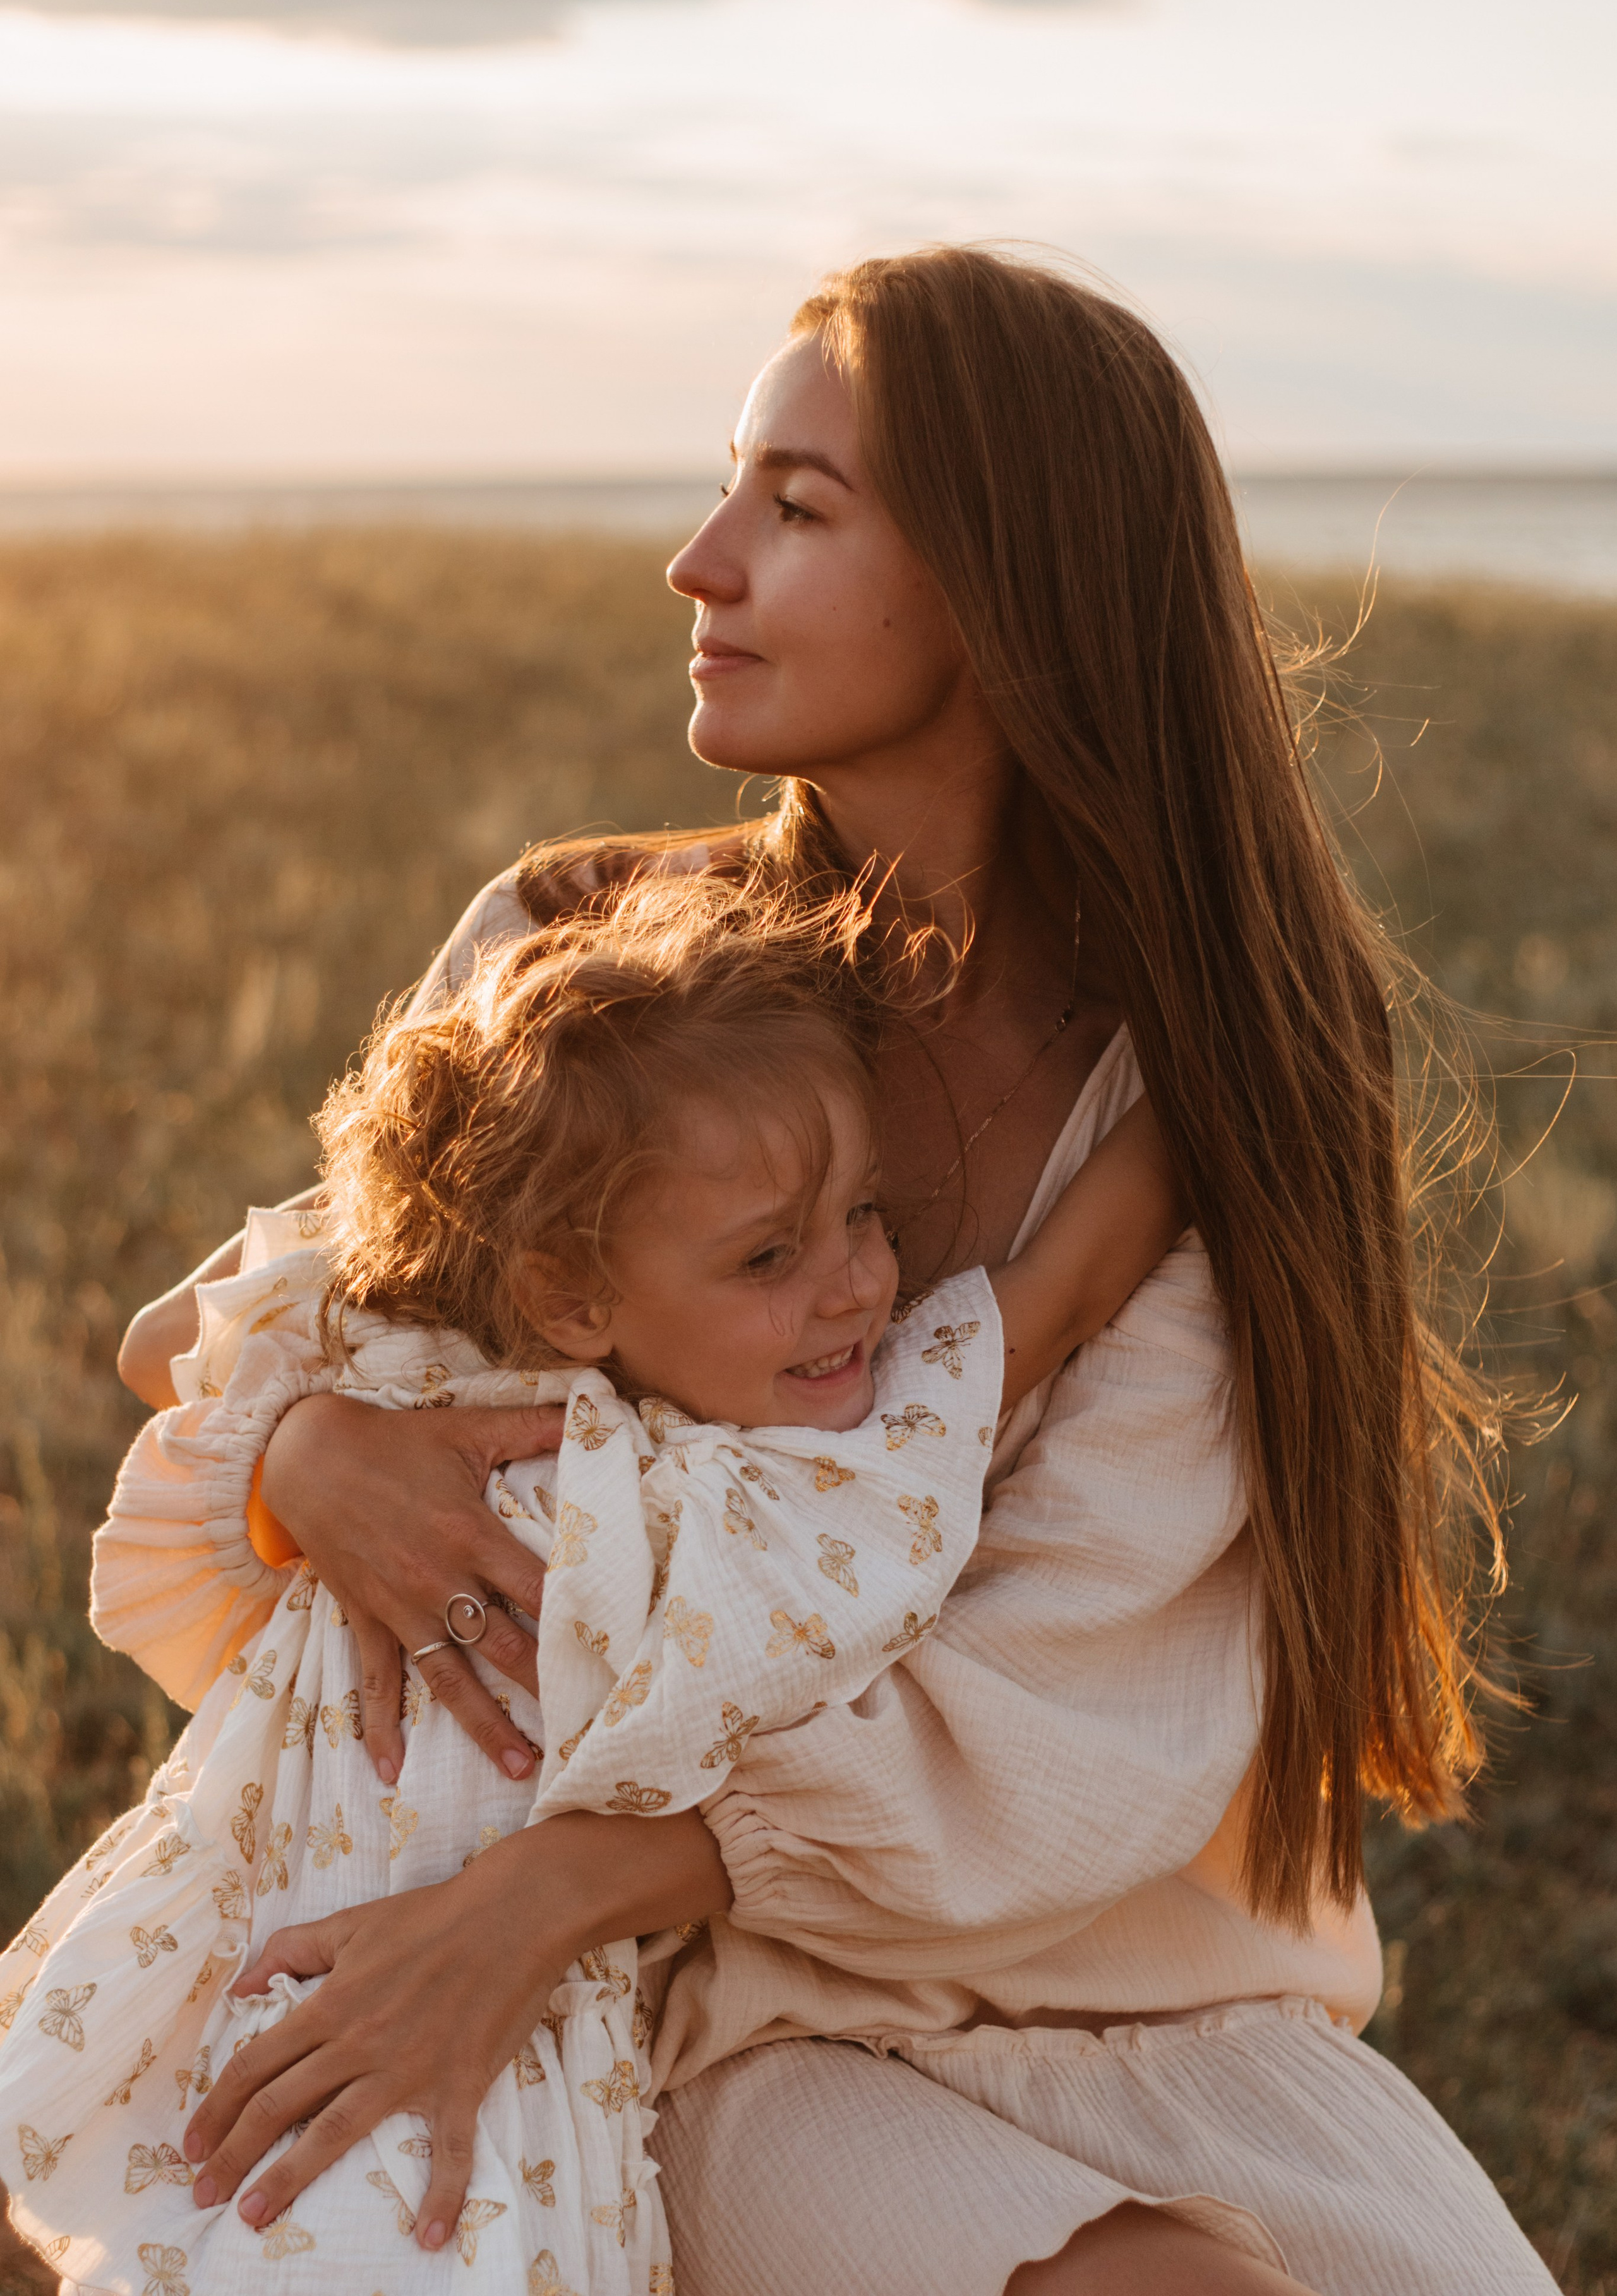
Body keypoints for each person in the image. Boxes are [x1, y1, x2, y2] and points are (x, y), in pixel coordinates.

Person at [104, 247, 1553, 2295]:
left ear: (1008, 585)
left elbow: (1059, 1725)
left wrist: (545, 1897)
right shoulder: (580, 970)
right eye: (730, 487)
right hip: (718, 2008)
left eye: (794, 509)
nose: (699, 564)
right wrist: (303, 1457)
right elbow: (262, 1355)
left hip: (1131, 2010)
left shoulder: (1201, 1094)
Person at [1, 875, 1182, 2295]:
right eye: (766, 1253)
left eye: (863, 1215)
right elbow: (161, 1343)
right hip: (219, 1935)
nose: (856, 1287)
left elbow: (1058, 1288)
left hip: (475, 2028)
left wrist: (1224, 1070)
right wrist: (316, 1443)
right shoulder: (429, 1363)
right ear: (570, 1294)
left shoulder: (780, 1500)